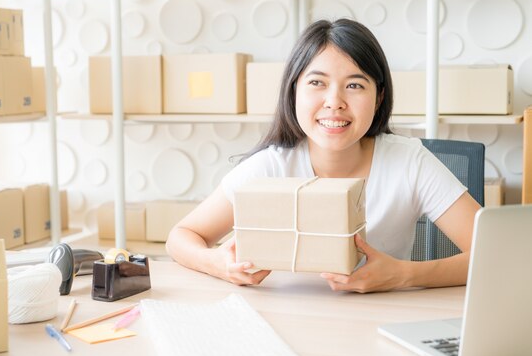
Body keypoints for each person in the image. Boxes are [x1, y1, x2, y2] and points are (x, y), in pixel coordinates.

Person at [165, 18, 480, 293]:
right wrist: (217, 263)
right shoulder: (270, 167)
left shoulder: (410, 163)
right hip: (282, 324)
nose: (335, 101)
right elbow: (181, 237)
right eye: (317, 82)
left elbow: (498, 253)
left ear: (379, 96)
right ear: (294, 90)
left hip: (379, 325)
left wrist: (403, 275)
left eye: (355, 85)